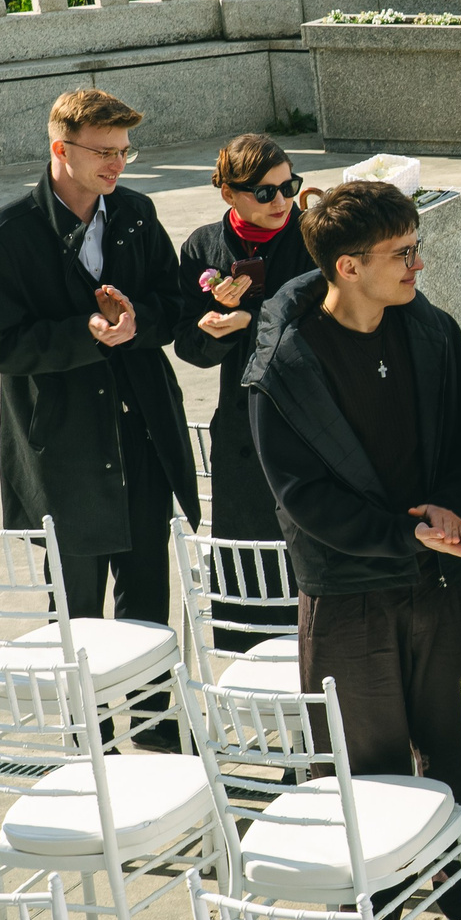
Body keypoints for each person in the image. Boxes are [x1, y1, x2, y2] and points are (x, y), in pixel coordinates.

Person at [243, 180, 461, 920]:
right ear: (348, 267)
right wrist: (399, 533)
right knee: (365, 774)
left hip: (441, 579)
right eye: (402, 253)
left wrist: (451, 503)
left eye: (415, 247)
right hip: (348, 593)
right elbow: (303, 499)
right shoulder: (280, 370)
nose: (417, 264)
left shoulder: (430, 329)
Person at [0, 87, 199, 743]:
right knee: (77, 619)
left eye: (125, 150)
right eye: (103, 151)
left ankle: (158, 745)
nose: (117, 164)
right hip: (61, 453)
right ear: (59, 149)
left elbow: (172, 302)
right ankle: (92, 755)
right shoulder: (6, 234)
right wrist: (85, 333)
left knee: (147, 604)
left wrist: (135, 326)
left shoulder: (134, 212)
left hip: (141, 435)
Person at [174, 134, 315, 654]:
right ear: (229, 193)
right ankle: (246, 684)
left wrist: (249, 320)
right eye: (264, 192)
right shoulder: (203, 247)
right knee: (246, 560)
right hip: (240, 426)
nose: (281, 202)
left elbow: (329, 323)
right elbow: (188, 344)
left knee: (309, 553)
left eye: (288, 187)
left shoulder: (312, 236)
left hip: (310, 418)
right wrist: (215, 330)